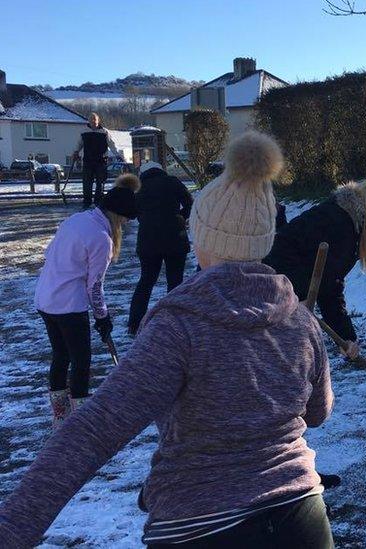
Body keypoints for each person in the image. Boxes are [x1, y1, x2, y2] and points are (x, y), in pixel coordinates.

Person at [0, 131, 335, 548]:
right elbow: (318, 412)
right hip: (302, 518)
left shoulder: (180, 326)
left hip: (200, 526)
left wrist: (12, 530)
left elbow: (97, 428)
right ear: (265, 239)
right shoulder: (301, 319)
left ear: (202, 237)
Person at [34, 174, 140, 427]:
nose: (124, 226)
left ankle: (61, 417)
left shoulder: (76, 219)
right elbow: (95, 286)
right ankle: (78, 420)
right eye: (124, 220)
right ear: (117, 215)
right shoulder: (101, 238)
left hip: (45, 298)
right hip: (69, 305)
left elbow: (50, 253)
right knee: (81, 361)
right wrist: (103, 317)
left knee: (61, 355)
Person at [264, 178, 366, 360]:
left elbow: (331, 285)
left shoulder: (346, 222)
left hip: (282, 294)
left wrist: (346, 337)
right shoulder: (342, 227)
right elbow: (284, 250)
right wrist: (297, 296)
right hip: (270, 292)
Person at [127, 161, 193, 335]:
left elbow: (133, 212)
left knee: (146, 281)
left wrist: (146, 219)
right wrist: (181, 217)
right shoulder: (172, 181)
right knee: (175, 281)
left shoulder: (139, 187)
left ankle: (134, 323)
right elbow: (189, 202)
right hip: (175, 237)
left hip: (148, 240)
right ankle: (174, 321)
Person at [72, 113, 123, 209]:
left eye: (95, 119)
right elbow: (79, 144)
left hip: (101, 161)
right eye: (91, 119)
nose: (93, 121)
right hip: (88, 161)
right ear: (89, 121)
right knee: (87, 183)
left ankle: (98, 202)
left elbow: (111, 145)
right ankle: (87, 202)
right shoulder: (84, 132)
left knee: (100, 183)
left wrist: (117, 155)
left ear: (98, 120)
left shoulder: (104, 132)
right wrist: (76, 152)